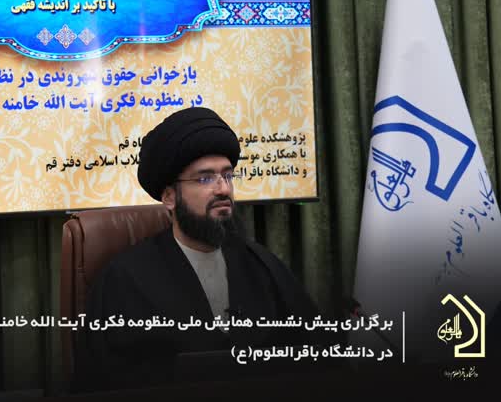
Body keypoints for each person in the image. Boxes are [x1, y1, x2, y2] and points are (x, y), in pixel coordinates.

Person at [72, 107, 324, 392]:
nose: (223, 189)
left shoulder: (262, 266)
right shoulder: (125, 280)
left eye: (227, 176)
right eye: (205, 178)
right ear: (170, 197)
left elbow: (315, 358)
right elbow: (105, 380)